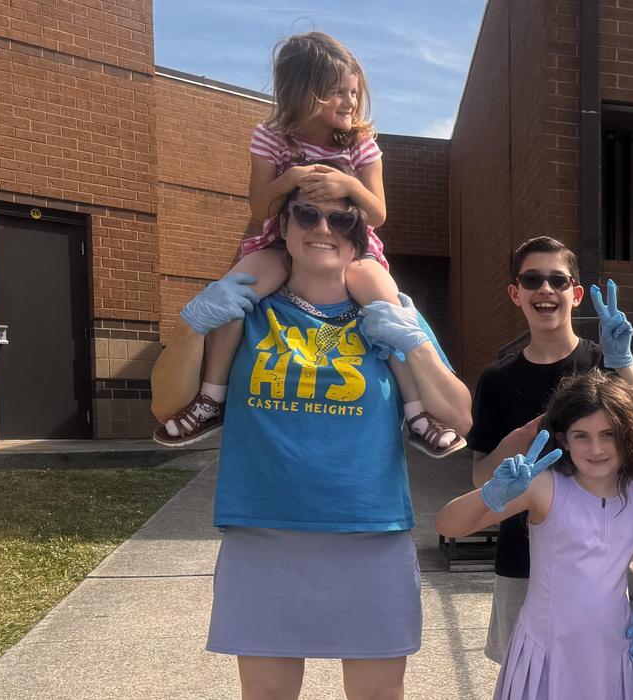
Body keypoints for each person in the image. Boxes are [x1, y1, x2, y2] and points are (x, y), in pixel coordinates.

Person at [182, 163, 471, 699]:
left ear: (359, 237)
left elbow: (460, 416)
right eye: (308, 215)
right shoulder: (246, 308)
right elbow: (167, 399)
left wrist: (412, 342)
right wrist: (191, 323)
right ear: (284, 226)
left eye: (342, 221)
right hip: (264, 531)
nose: (323, 229)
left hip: (370, 533)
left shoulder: (384, 309)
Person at [158, 32, 461, 458]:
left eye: (355, 92)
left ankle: (415, 412)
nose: (351, 102)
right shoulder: (271, 138)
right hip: (281, 241)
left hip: (353, 246)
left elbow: (377, 215)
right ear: (304, 90)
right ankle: (212, 395)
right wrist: (291, 179)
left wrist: (347, 184)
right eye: (338, 92)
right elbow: (261, 207)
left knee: (389, 312)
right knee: (233, 295)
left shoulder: (360, 143)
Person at [464, 235, 633, 664]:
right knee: (526, 677)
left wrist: (624, 363)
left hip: (601, 559)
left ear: (575, 294)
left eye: (557, 281)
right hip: (522, 559)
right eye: (532, 279)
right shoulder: (497, 380)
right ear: (515, 293)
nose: (545, 290)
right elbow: (479, 479)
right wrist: (513, 443)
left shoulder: (605, 364)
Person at [435, 371, 633, 699]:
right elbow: (447, 525)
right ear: (562, 439)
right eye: (581, 435)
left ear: (627, 434)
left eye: (608, 434)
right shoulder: (544, 487)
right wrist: (488, 495)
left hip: (616, 651)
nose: (596, 447)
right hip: (547, 652)